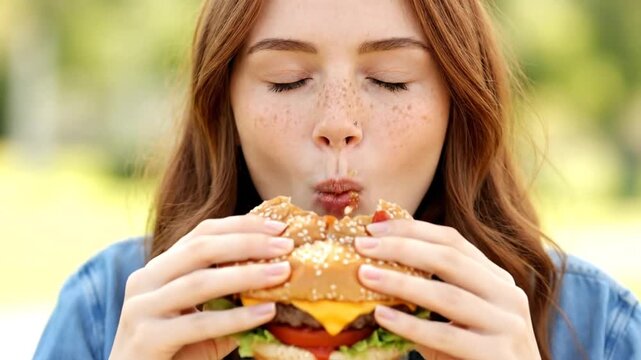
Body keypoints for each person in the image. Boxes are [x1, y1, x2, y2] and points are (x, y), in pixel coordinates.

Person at [34, 0, 640, 359]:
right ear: (227, 105)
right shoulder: (108, 309)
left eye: (393, 79)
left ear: (460, 102)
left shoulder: (591, 326)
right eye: (288, 80)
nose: (338, 124)